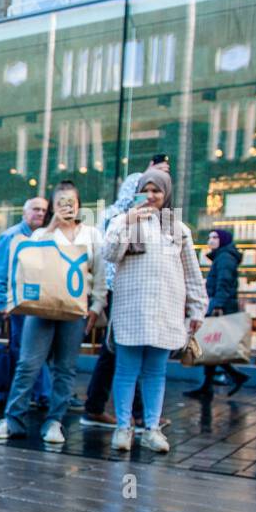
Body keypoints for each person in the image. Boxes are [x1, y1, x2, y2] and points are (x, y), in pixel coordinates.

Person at [0, 181, 105, 445]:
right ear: (54, 206)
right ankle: (12, 419)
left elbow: (100, 274)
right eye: (61, 201)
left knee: (65, 368)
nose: (67, 206)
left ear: (79, 205)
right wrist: (52, 226)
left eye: (71, 201)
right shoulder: (43, 233)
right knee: (28, 364)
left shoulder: (92, 234)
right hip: (40, 308)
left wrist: (96, 306)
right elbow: (28, 258)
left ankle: (55, 421)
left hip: (75, 311)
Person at [102, 170, 207, 454]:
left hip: (166, 310)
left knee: (155, 372)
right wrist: (128, 220)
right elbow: (109, 254)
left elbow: (192, 272)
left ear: (166, 195)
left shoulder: (178, 229)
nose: (150, 196)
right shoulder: (121, 223)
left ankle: (151, 429)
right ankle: (123, 428)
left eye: (156, 191)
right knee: (126, 371)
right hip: (130, 308)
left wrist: (197, 307)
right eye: (144, 190)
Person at [83, 155, 171, 430]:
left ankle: (104, 408)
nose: (152, 194)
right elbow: (109, 250)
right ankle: (134, 414)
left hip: (127, 286)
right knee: (124, 349)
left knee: (116, 351)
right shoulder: (123, 210)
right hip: (119, 286)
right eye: (150, 187)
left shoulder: (165, 223)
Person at [0, 196, 50, 412]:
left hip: (37, 302)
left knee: (33, 349)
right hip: (16, 304)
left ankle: (40, 394)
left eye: (43, 210)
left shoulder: (45, 236)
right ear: (25, 213)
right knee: (18, 350)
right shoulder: (11, 236)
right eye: (35, 209)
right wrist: (0, 301)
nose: (40, 213)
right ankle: (9, 393)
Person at [186, 228, 248, 398]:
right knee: (213, 344)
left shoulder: (225, 258)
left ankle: (234, 376)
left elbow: (224, 283)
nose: (210, 240)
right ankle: (210, 385)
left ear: (224, 240)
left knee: (213, 343)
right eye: (209, 237)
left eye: (215, 237)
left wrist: (216, 305)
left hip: (221, 306)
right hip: (220, 304)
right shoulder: (222, 256)